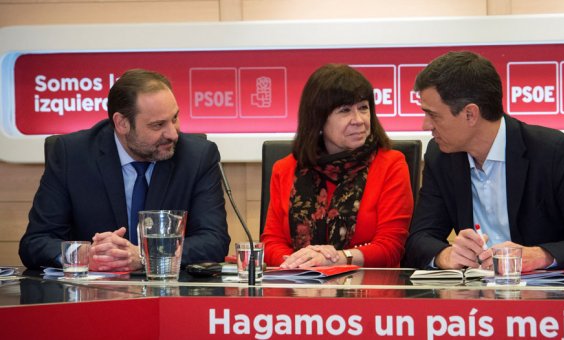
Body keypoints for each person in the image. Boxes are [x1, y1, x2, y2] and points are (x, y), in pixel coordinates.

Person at [403, 51, 564, 271]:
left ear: (470, 114)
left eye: (433, 115)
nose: (425, 125)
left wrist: (542, 255)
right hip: (475, 297)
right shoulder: (441, 156)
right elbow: (418, 240)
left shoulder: (552, 152)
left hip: (548, 298)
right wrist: (445, 255)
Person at [19, 69, 230, 271]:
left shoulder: (197, 156)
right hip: (90, 298)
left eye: (174, 118)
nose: (173, 134)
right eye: (158, 125)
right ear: (122, 124)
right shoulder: (72, 155)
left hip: (168, 295)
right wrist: (83, 254)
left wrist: (143, 256)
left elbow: (213, 241)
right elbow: (35, 243)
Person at [261, 64, 414, 269]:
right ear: (318, 119)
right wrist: (302, 263)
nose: (358, 120)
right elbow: (271, 243)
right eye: (345, 111)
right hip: (299, 288)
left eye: (363, 108)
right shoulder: (285, 169)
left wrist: (334, 259)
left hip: (368, 292)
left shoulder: (391, 164)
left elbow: (391, 248)